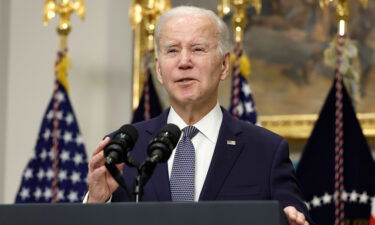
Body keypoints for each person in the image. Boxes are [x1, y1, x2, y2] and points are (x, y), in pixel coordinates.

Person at [87, 6, 313, 225]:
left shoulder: (266, 150)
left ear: (224, 65)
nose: (184, 62)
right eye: (172, 50)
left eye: (197, 49)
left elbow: (294, 215)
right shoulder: (122, 149)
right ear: (159, 69)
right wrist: (97, 201)